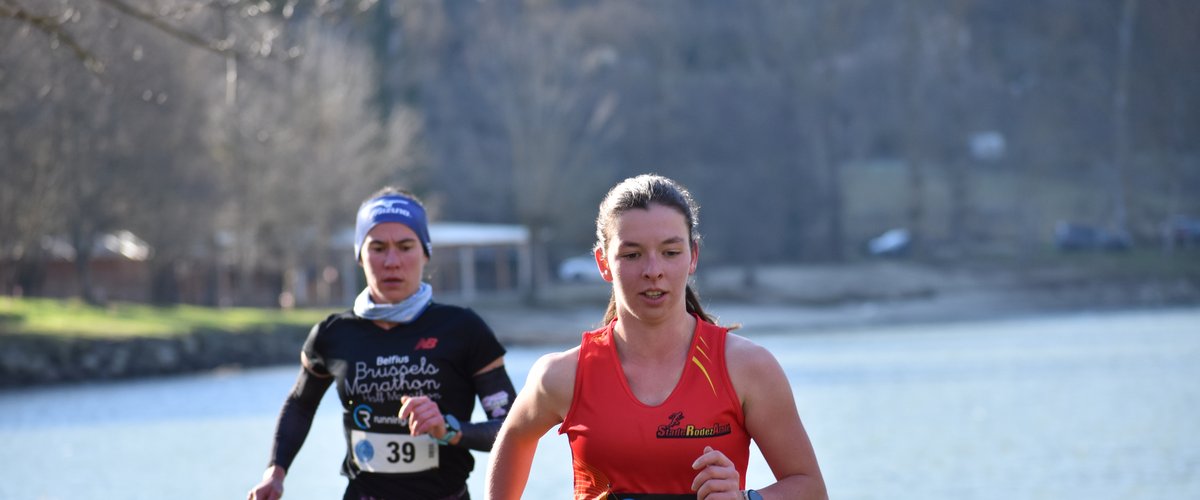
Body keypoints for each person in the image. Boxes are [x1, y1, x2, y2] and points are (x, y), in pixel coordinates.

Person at [486, 174, 827, 500]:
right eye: (632, 254)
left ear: (693, 256)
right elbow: (514, 437)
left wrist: (745, 498)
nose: (653, 270)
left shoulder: (747, 368)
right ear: (603, 262)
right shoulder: (562, 375)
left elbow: (810, 488)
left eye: (670, 252)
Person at [249, 187, 518, 500]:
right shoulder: (332, 334)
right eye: (377, 247)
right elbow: (301, 403)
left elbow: (510, 428)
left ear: (425, 252)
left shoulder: (464, 329)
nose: (392, 261)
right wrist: (276, 472)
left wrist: (451, 429)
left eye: (405, 246)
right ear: (360, 256)